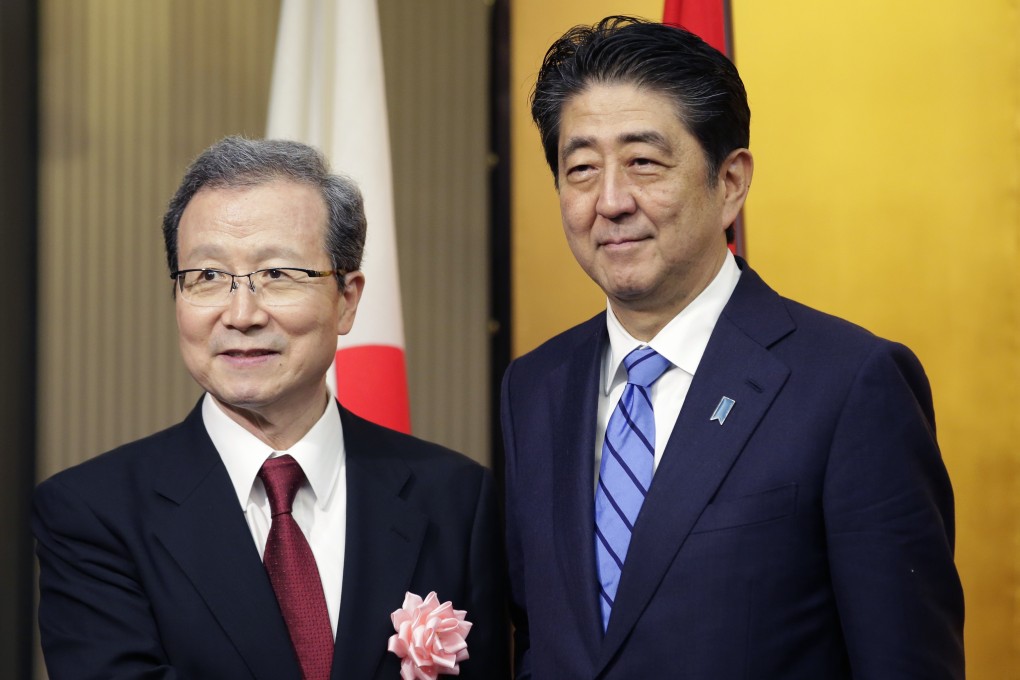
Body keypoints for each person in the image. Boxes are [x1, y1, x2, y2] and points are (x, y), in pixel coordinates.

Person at [500, 16, 964, 679]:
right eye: (580, 169)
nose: (609, 201)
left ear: (731, 183)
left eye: (643, 163)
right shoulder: (534, 387)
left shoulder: (850, 384)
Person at [34, 136, 508, 680]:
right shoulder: (93, 512)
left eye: (278, 275)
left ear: (347, 299)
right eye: (207, 276)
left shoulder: (455, 499)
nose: (241, 314)